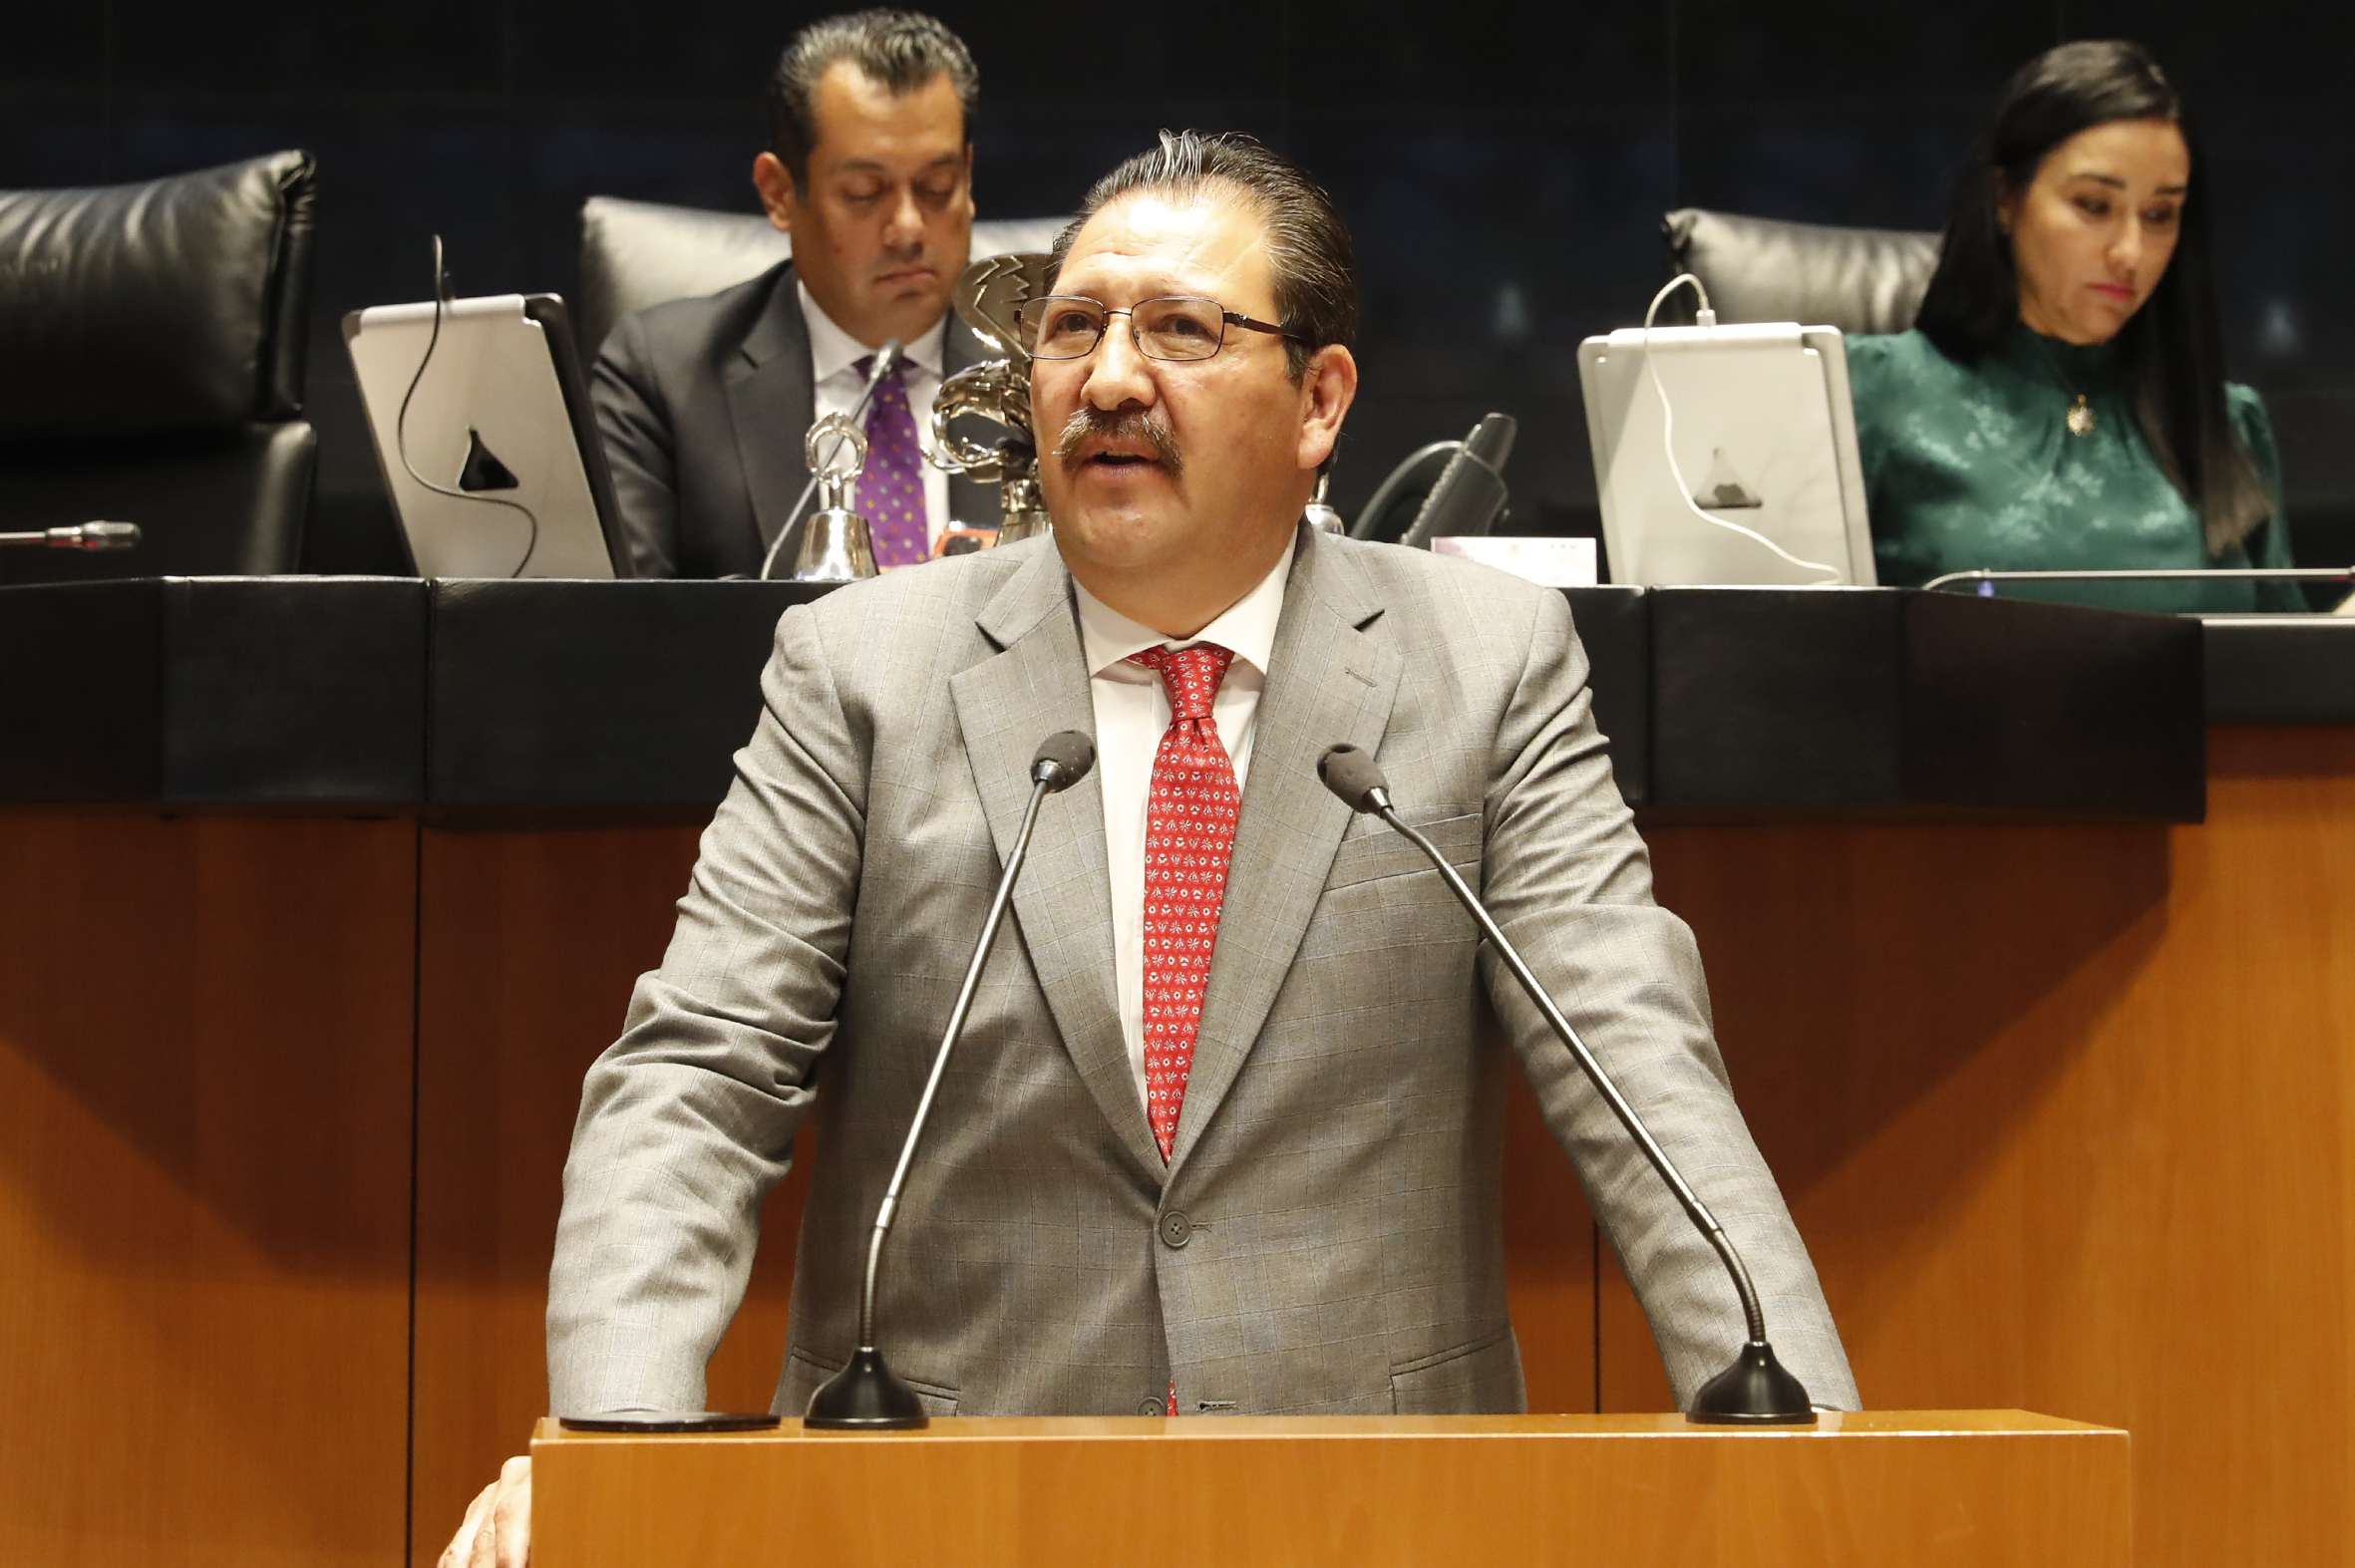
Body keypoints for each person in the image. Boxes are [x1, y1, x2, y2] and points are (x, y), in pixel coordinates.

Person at [442, 130, 1855, 1568]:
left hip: (1369, 1513)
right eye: (1072, 328)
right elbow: (700, 1074)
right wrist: (614, 1452)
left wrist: (1825, 1479)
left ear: (1319, 400)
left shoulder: (1485, 662)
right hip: (941, 1511)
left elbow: (1639, 1073)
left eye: (1180, 329)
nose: (1109, 379)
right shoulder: (860, 668)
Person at [1848, 39, 2300, 613]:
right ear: (2005, 200)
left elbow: (2287, 654)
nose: (2130, 252)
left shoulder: (2227, 422)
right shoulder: (1873, 392)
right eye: (2094, 205)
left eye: (2159, 215)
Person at [592, 9, 1001, 578]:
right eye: (865, 192)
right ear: (780, 194)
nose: (908, 228)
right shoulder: (662, 378)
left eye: (938, 186)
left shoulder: (1053, 367)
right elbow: (624, 618)